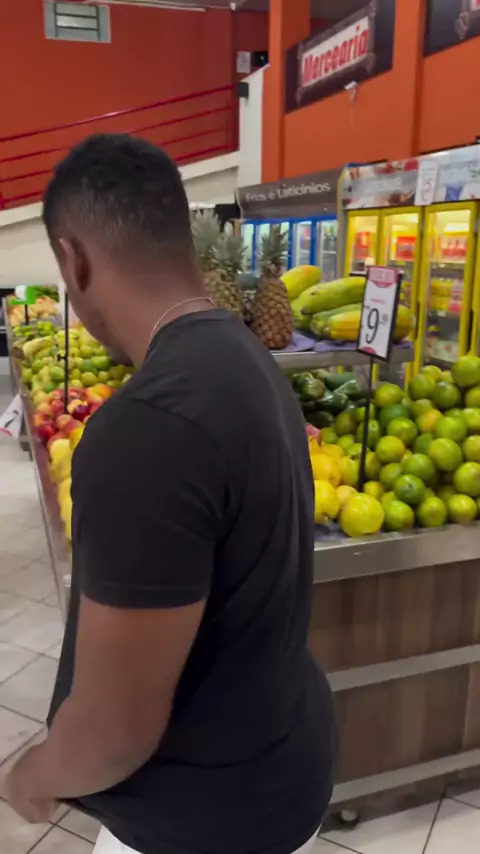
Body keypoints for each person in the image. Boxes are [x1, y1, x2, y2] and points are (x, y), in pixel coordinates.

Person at [1, 135, 336, 854]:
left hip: (200, 823)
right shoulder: (248, 359)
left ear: (72, 261)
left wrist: (33, 774)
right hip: (276, 773)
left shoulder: (148, 427)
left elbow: (115, 731)